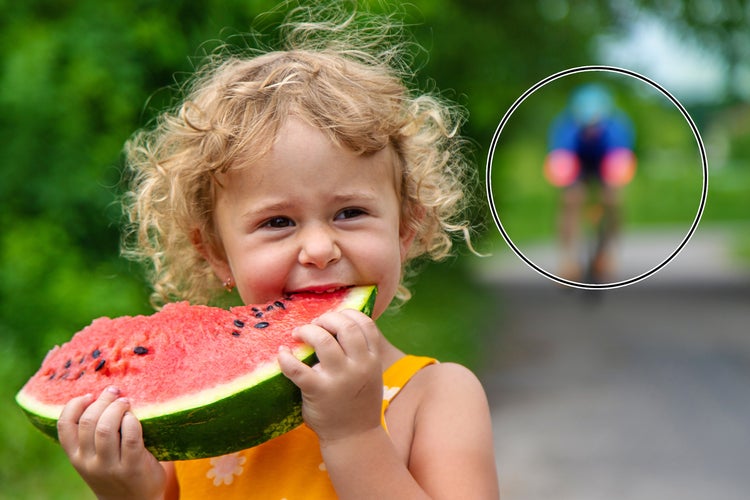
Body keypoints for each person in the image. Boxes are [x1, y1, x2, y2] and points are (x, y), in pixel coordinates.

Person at [55, 4, 500, 499]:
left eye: (350, 212)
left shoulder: (437, 397)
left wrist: (354, 434)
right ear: (217, 253)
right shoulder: (194, 421)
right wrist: (136, 494)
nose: (317, 248)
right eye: (278, 222)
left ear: (407, 227)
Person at [543, 83, 636, 283]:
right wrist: (571, 186)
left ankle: (606, 252)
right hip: (577, 159)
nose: (590, 130)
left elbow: (619, 164)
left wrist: (611, 187)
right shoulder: (565, 129)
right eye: (586, 125)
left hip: (606, 159)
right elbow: (562, 162)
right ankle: (567, 260)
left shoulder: (617, 129)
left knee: (613, 199)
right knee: (570, 200)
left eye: (595, 125)